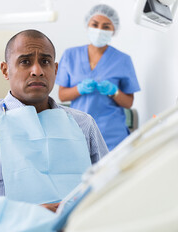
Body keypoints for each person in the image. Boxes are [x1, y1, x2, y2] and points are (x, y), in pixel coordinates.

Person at [0, 29, 108, 213]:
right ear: (5, 70)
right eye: (25, 62)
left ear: (55, 69)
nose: (37, 71)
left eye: (45, 62)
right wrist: (22, 216)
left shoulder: (84, 124)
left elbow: (110, 186)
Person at [56, 4, 141, 151]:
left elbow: (128, 103)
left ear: (113, 30)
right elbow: (62, 95)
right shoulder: (71, 55)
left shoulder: (122, 60)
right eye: (95, 25)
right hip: (79, 129)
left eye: (106, 26)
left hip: (112, 133)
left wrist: (114, 91)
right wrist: (79, 89)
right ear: (87, 25)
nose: (99, 30)